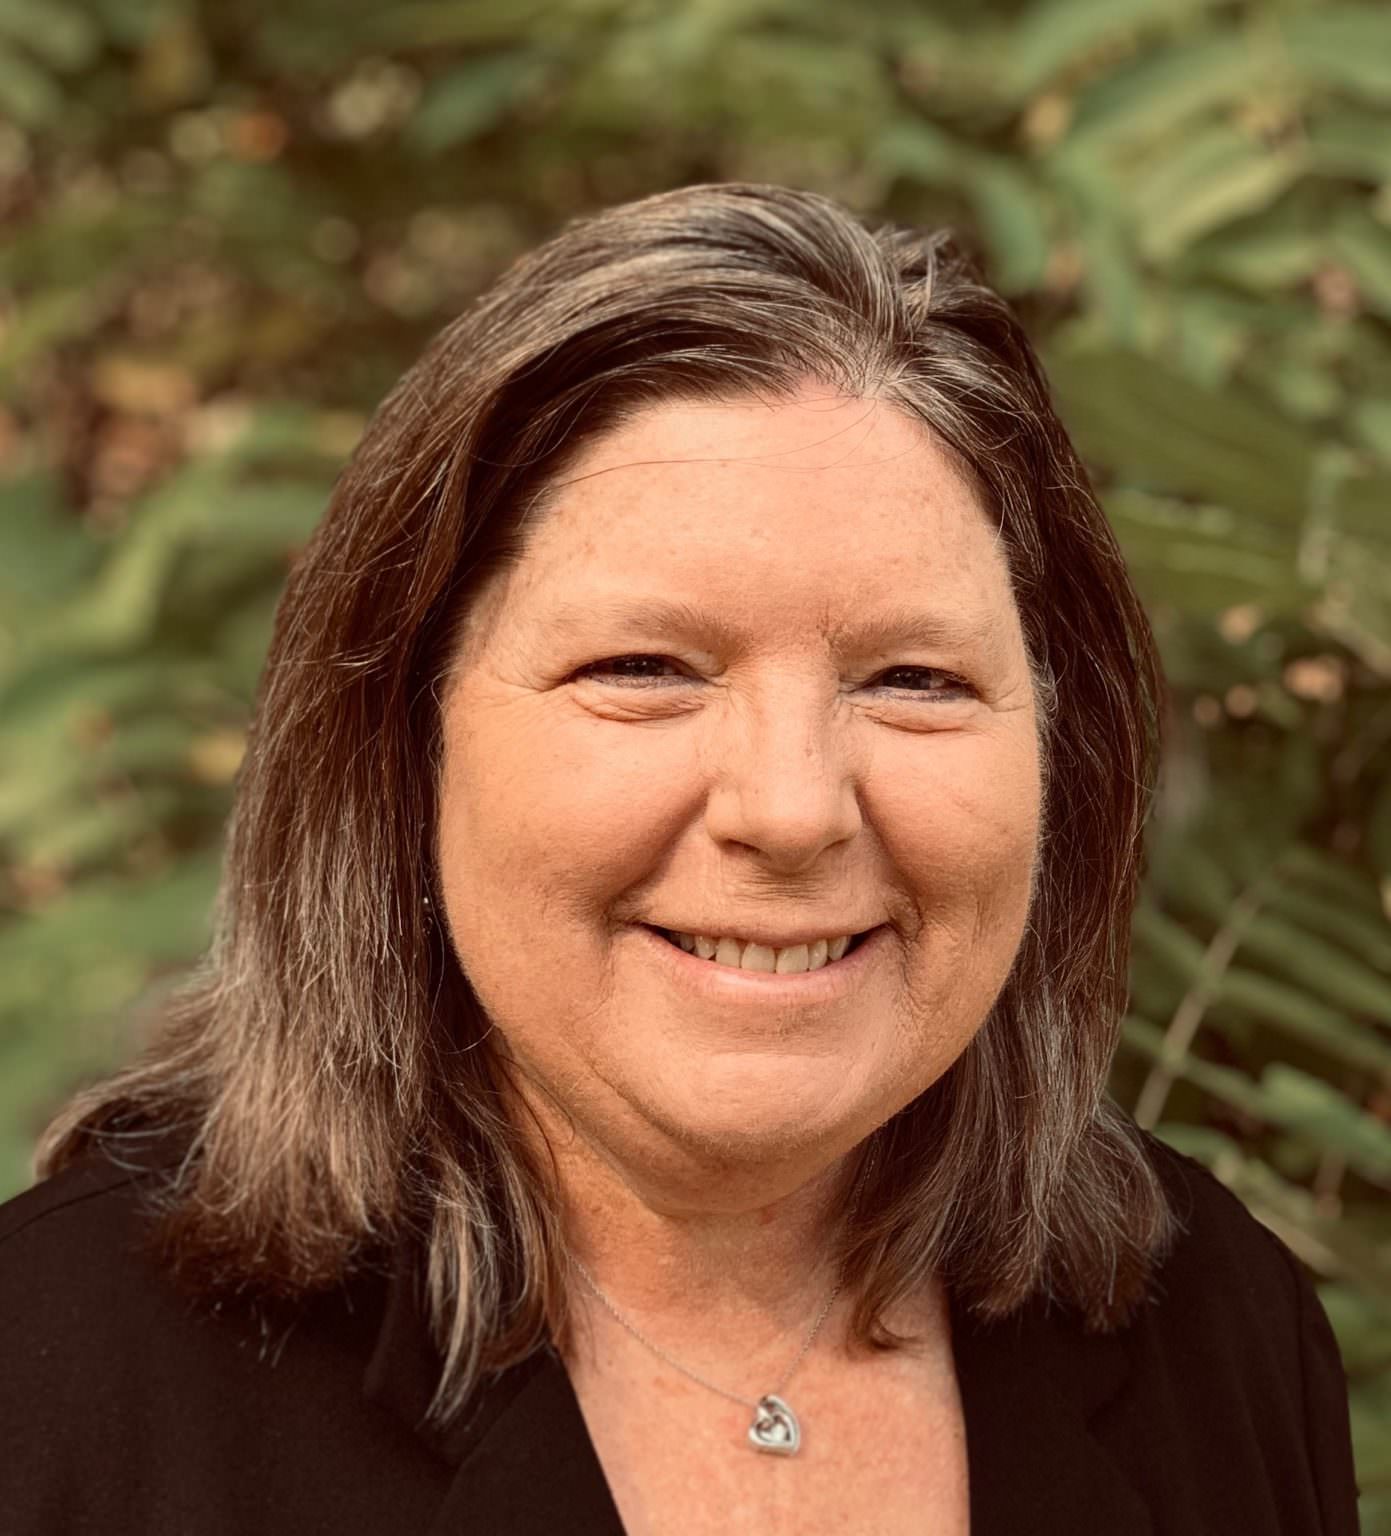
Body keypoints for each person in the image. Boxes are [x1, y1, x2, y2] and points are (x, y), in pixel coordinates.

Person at [0, 182, 1359, 1535]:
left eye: (914, 680)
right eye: (645, 669)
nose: (794, 810)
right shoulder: (54, 1395)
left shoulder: (1221, 1340)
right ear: (405, 742)